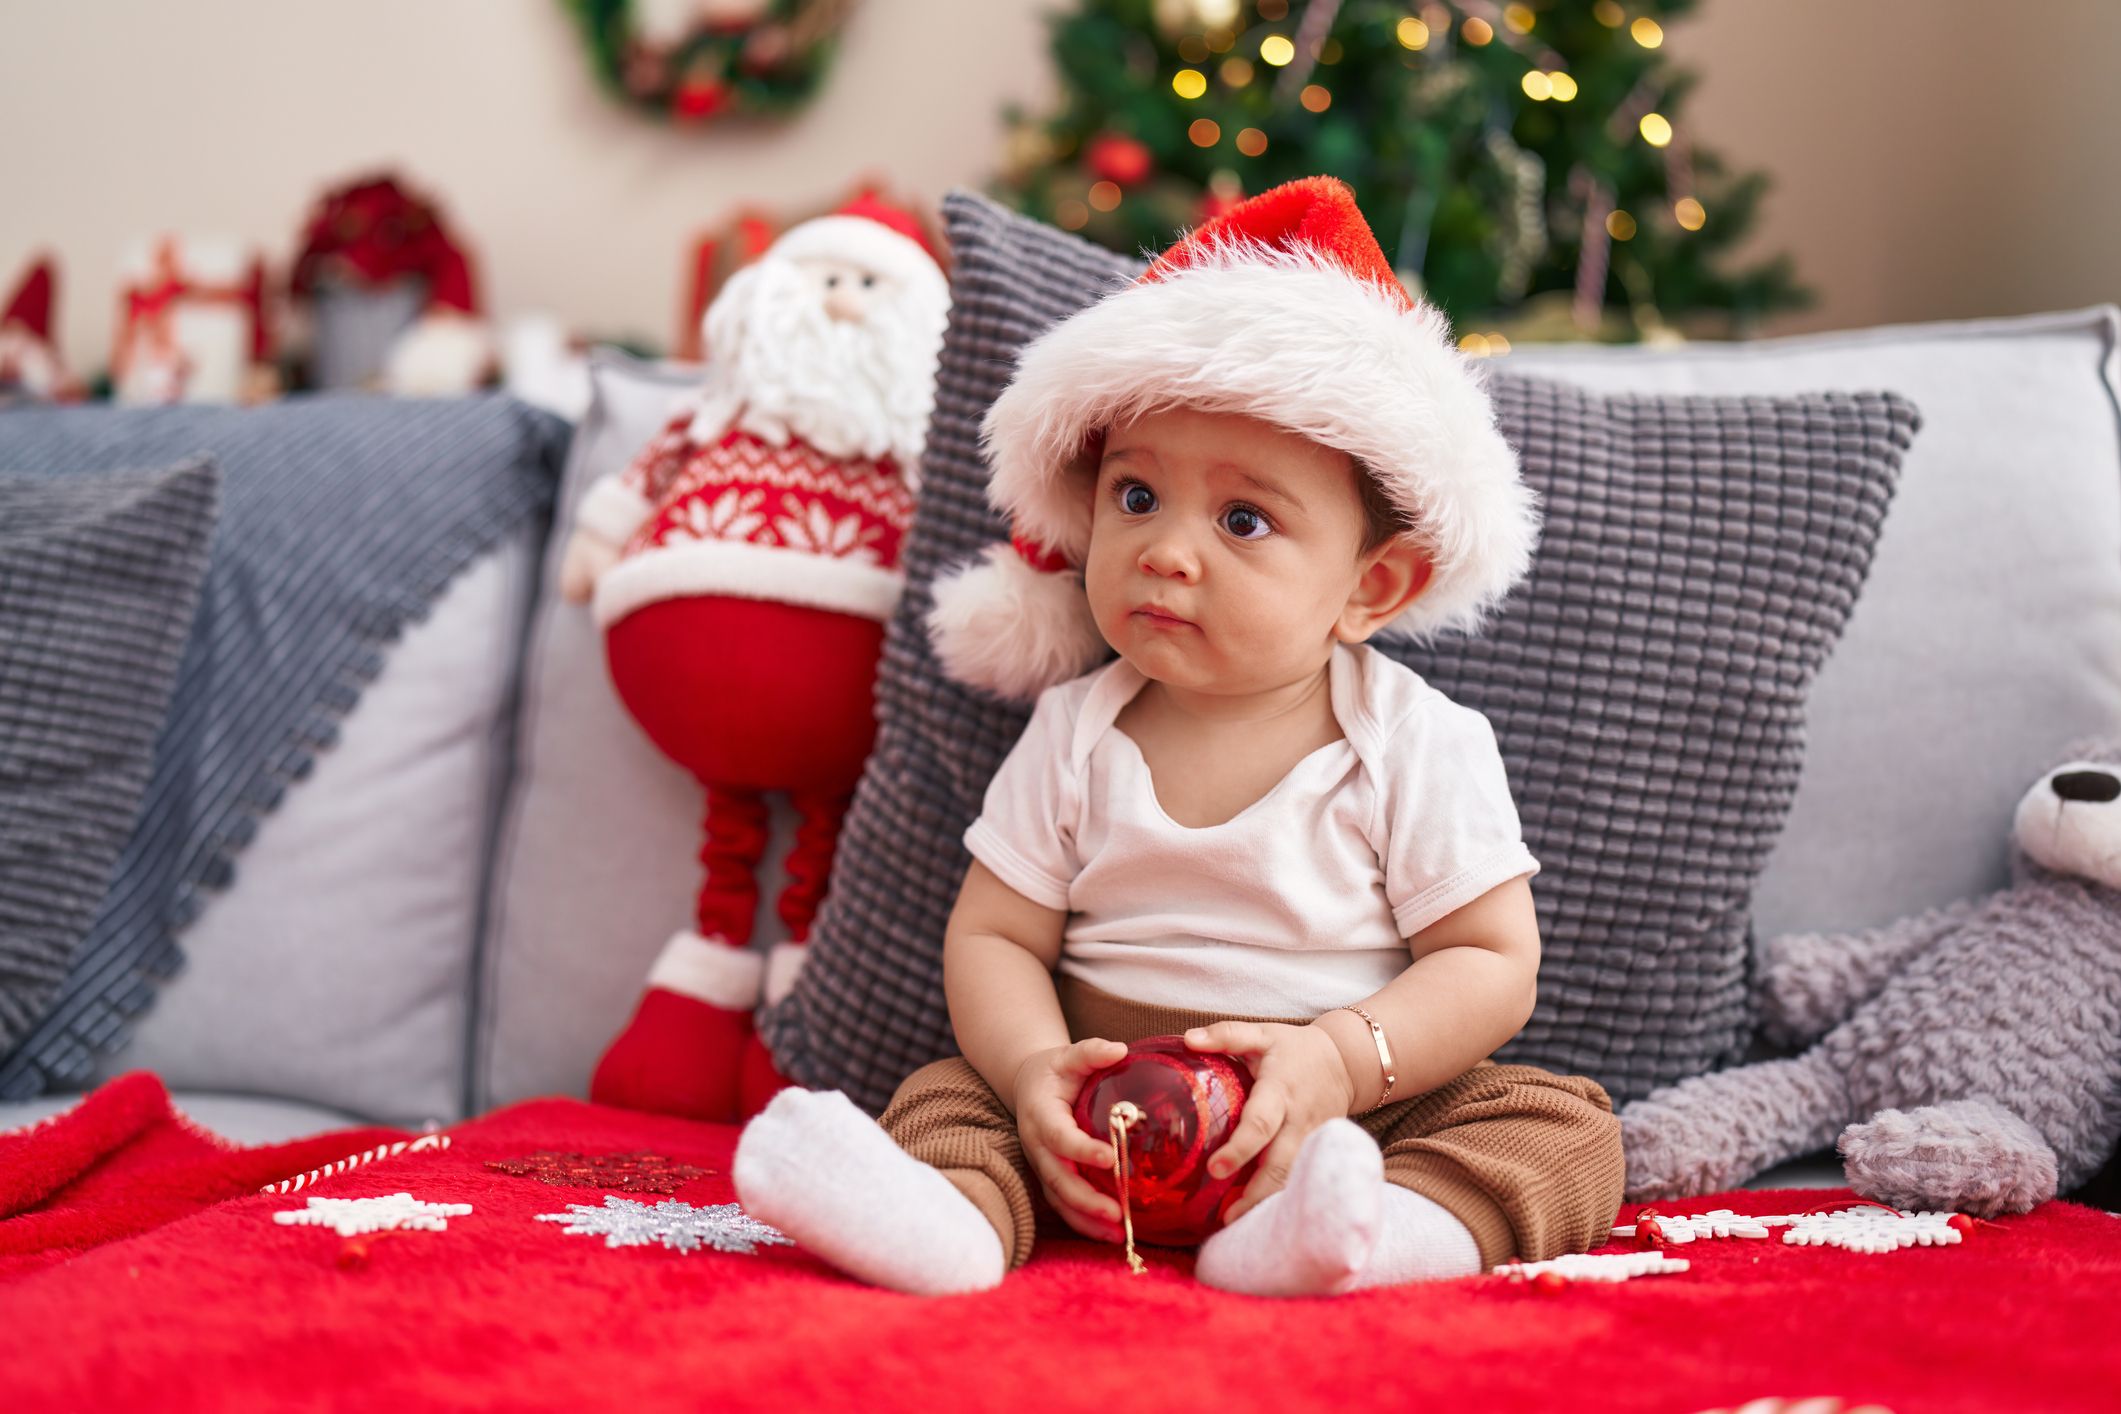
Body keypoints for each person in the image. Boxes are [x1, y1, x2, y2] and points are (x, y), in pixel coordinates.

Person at [732, 176, 1624, 1297]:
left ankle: (1366, 1233)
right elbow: (997, 935)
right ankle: (950, 1226)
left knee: (1559, 1122)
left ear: (1372, 586)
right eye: (1137, 496)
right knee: (945, 1093)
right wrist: (1032, 1070)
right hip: (1100, 1102)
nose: (1166, 550)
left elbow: (1491, 962)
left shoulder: (1414, 742)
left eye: (1244, 519)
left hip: (1336, 1106)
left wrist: (1346, 1060)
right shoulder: (1073, 728)